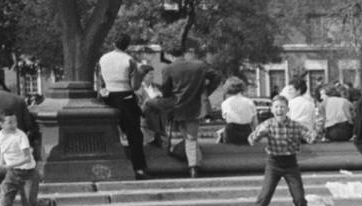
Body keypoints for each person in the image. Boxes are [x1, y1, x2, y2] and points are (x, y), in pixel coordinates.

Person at [242, 94, 312, 206]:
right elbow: (251, 140)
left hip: (291, 163)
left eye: (282, 107)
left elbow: (310, 138)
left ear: (287, 109)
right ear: (272, 109)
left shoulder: (295, 125)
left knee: (299, 199)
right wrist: (258, 134)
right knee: (264, 197)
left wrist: (318, 127)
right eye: (276, 107)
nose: (279, 109)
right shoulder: (268, 124)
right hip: (273, 164)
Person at [0, 108, 58, 206]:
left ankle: (49, 204)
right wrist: (0, 164)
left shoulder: (21, 136)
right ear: (1, 124)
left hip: (28, 174)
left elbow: (26, 158)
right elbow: (3, 149)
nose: (13, 124)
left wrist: (6, 166)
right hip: (12, 175)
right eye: (9, 122)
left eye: (15, 121)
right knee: (3, 204)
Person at [161, 45, 220, 178]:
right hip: (196, 106)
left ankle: (193, 166)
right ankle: (195, 162)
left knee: (190, 137)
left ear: (169, 55)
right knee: (190, 137)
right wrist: (205, 92)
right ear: (183, 53)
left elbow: (166, 91)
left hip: (178, 106)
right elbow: (216, 77)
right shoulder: (199, 65)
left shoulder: (168, 69)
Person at [96, 32, 148, 178]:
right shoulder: (129, 60)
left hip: (108, 97)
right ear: (127, 45)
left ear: (114, 43)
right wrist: (141, 73)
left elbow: (101, 79)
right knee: (134, 134)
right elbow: (135, 86)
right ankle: (138, 167)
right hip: (125, 97)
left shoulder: (103, 58)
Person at [218, 77, 258, 145]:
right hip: (246, 130)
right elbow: (255, 122)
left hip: (231, 132)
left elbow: (226, 118)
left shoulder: (225, 103)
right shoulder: (250, 102)